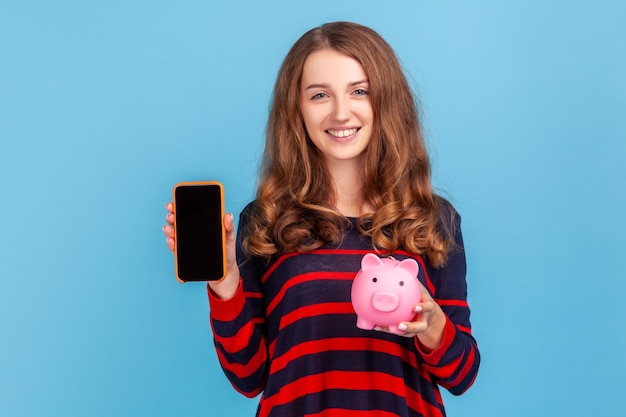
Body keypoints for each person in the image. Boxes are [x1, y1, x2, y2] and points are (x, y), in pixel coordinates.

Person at [163, 21, 479, 417]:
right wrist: (225, 283)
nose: (340, 112)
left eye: (359, 91)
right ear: (297, 108)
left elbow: (462, 375)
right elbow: (248, 377)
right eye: (319, 95)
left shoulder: (432, 220)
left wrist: (432, 324)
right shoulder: (265, 221)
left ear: (386, 100)